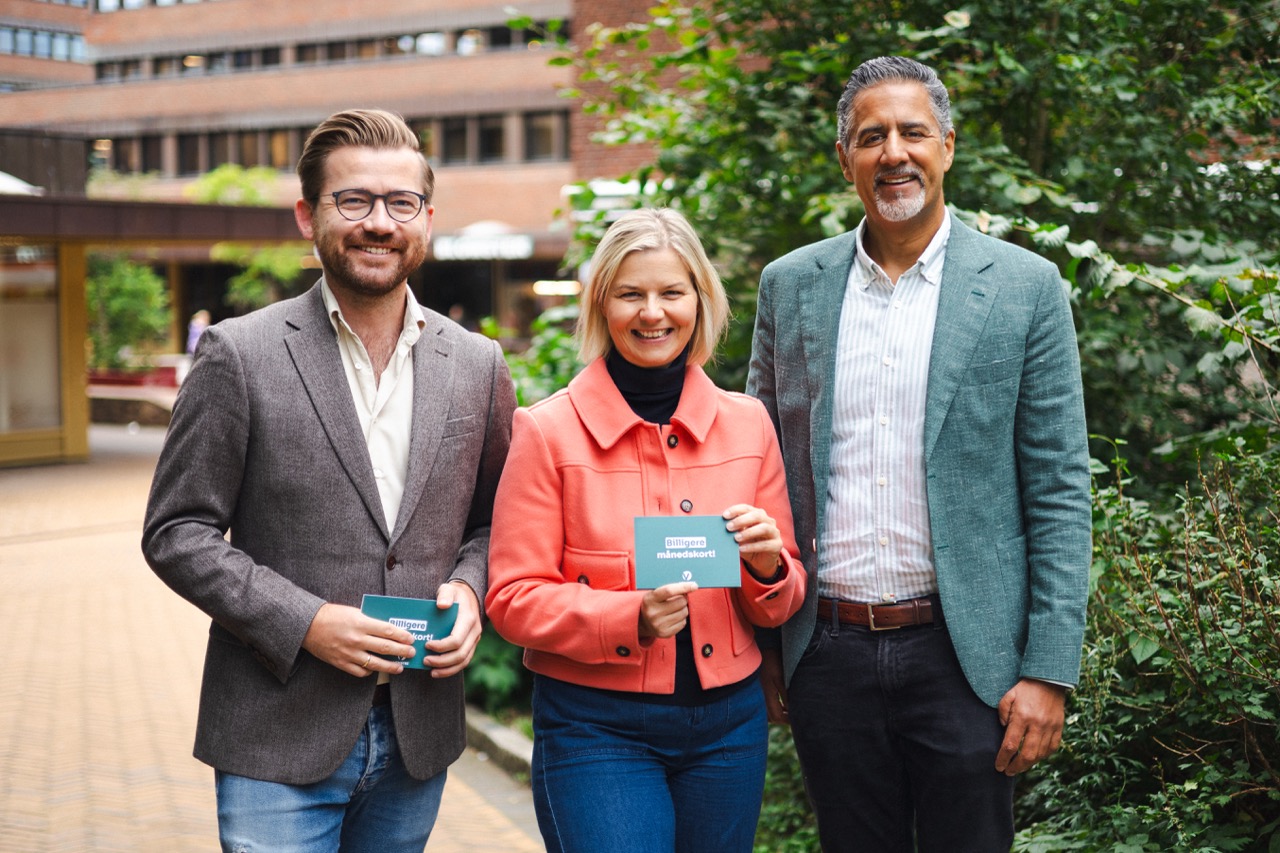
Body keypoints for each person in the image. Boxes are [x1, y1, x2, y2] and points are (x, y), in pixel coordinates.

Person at [142, 108, 515, 852]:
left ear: (427, 219)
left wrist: (472, 591)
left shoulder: (478, 363)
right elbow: (175, 531)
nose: (379, 222)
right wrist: (306, 621)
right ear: (308, 215)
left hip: (418, 731)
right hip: (274, 734)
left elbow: (495, 521)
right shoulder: (236, 354)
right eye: (354, 201)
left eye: (399, 203)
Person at [746, 56, 1091, 851]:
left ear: (948, 147)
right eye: (871, 137)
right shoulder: (790, 286)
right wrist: (766, 644)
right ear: (845, 160)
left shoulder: (1024, 288)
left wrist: (1047, 670)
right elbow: (760, 470)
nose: (892, 152)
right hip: (825, 651)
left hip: (966, 658)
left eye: (912, 132)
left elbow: (1061, 489)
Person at [486, 207, 807, 853]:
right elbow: (511, 598)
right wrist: (629, 615)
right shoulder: (547, 430)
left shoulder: (749, 425)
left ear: (700, 299)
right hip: (594, 727)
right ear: (603, 304)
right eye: (631, 293)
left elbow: (782, 598)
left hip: (729, 726)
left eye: (671, 292)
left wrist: (769, 565)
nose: (653, 313)